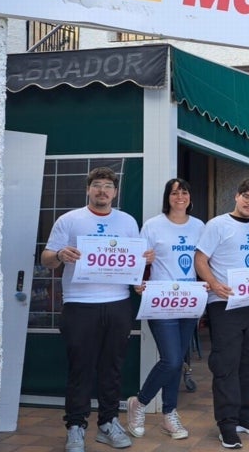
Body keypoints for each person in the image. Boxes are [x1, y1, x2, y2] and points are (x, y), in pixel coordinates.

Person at [40, 167, 154, 452]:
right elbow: (46, 259)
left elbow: (134, 262)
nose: (102, 191)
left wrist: (144, 263)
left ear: (115, 192)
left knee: (112, 367)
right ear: (88, 189)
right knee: (81, 368)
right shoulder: (69, 220)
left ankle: (108, 423)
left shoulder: (127, 221)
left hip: (117, 303)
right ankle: (75, 426)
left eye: (108, 186)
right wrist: (59, 255)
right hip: (79, 304)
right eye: (97, 185)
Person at [194, 177, 249, 449]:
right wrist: (214, 284)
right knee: (226, 364)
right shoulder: (217, 225)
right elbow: (200, 259)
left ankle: (242, 415)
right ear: (236, 196)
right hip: (224, 305)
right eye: (247, 197)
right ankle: (226, 425)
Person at [126, 178, 204, 441]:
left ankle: (169, 414)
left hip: (189, 300)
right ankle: (139, 402)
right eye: (174, 192)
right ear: (167, 197)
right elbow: (137, 258)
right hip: (161, 300)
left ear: (190, 197)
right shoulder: (153, 225)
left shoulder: (199, 226)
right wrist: (139, 280)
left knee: (176, 361)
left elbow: (204, 260)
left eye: (184, 191)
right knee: (171, 359)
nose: (179, 196)